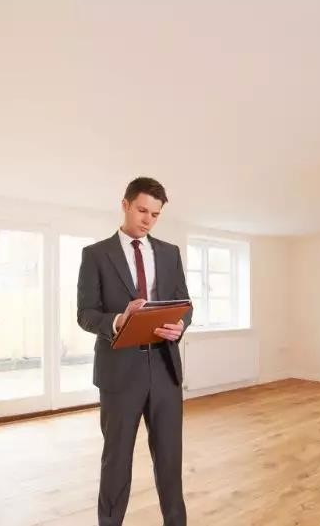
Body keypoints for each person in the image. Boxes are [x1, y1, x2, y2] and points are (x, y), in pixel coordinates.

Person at [77, 176, 193, 526]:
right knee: (116, 460)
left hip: (165, 369)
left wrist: (181, 325)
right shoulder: (96, 255)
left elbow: (185, 304)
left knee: (170, 458)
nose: (148, 220)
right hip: (119, 372)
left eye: (155, 214)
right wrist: (118, 320)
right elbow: (85, 314)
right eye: (142, 210)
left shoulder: (170, 253)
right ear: (125, 204)